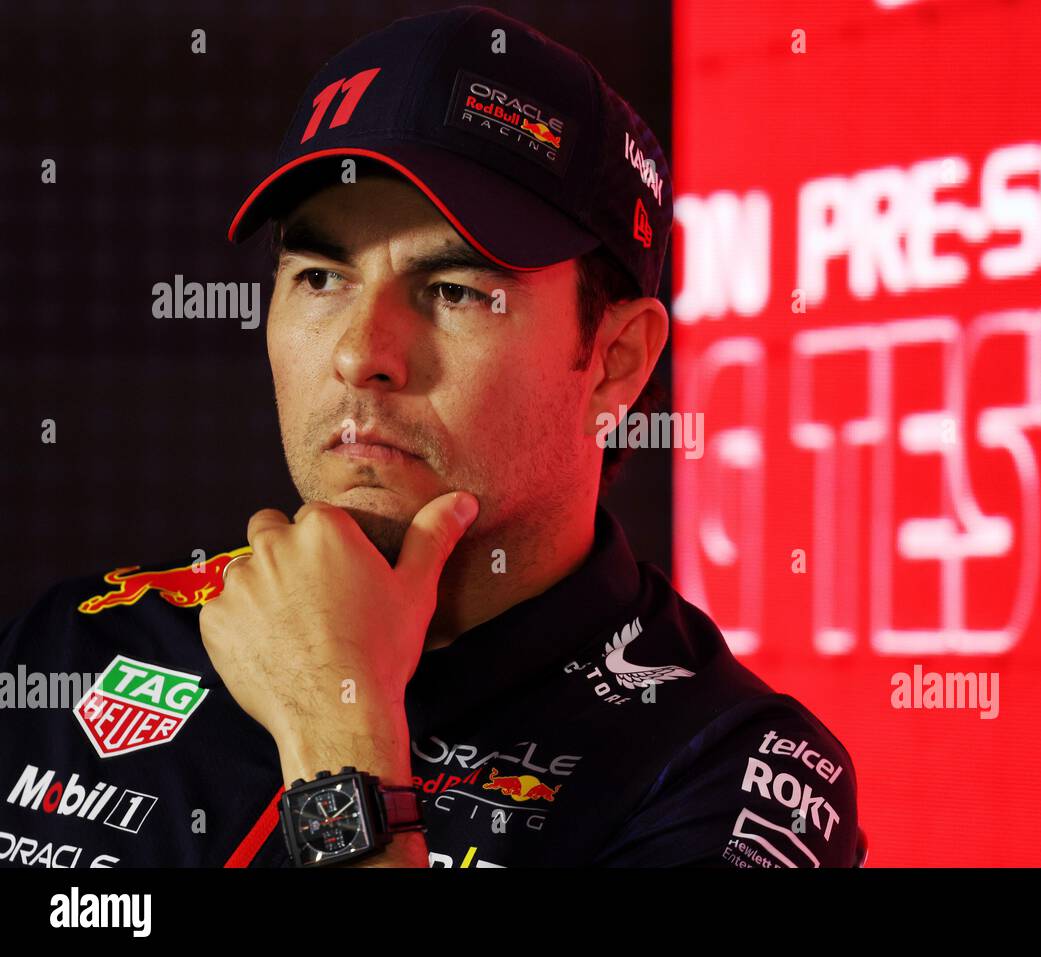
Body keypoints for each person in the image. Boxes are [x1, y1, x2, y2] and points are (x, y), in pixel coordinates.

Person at [0, 5, 865, 868]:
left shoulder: (727, 773)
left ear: (616, 359)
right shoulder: (74, 645)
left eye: (453, 289)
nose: (358, 353)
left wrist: (335, 725)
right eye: (320, 276)